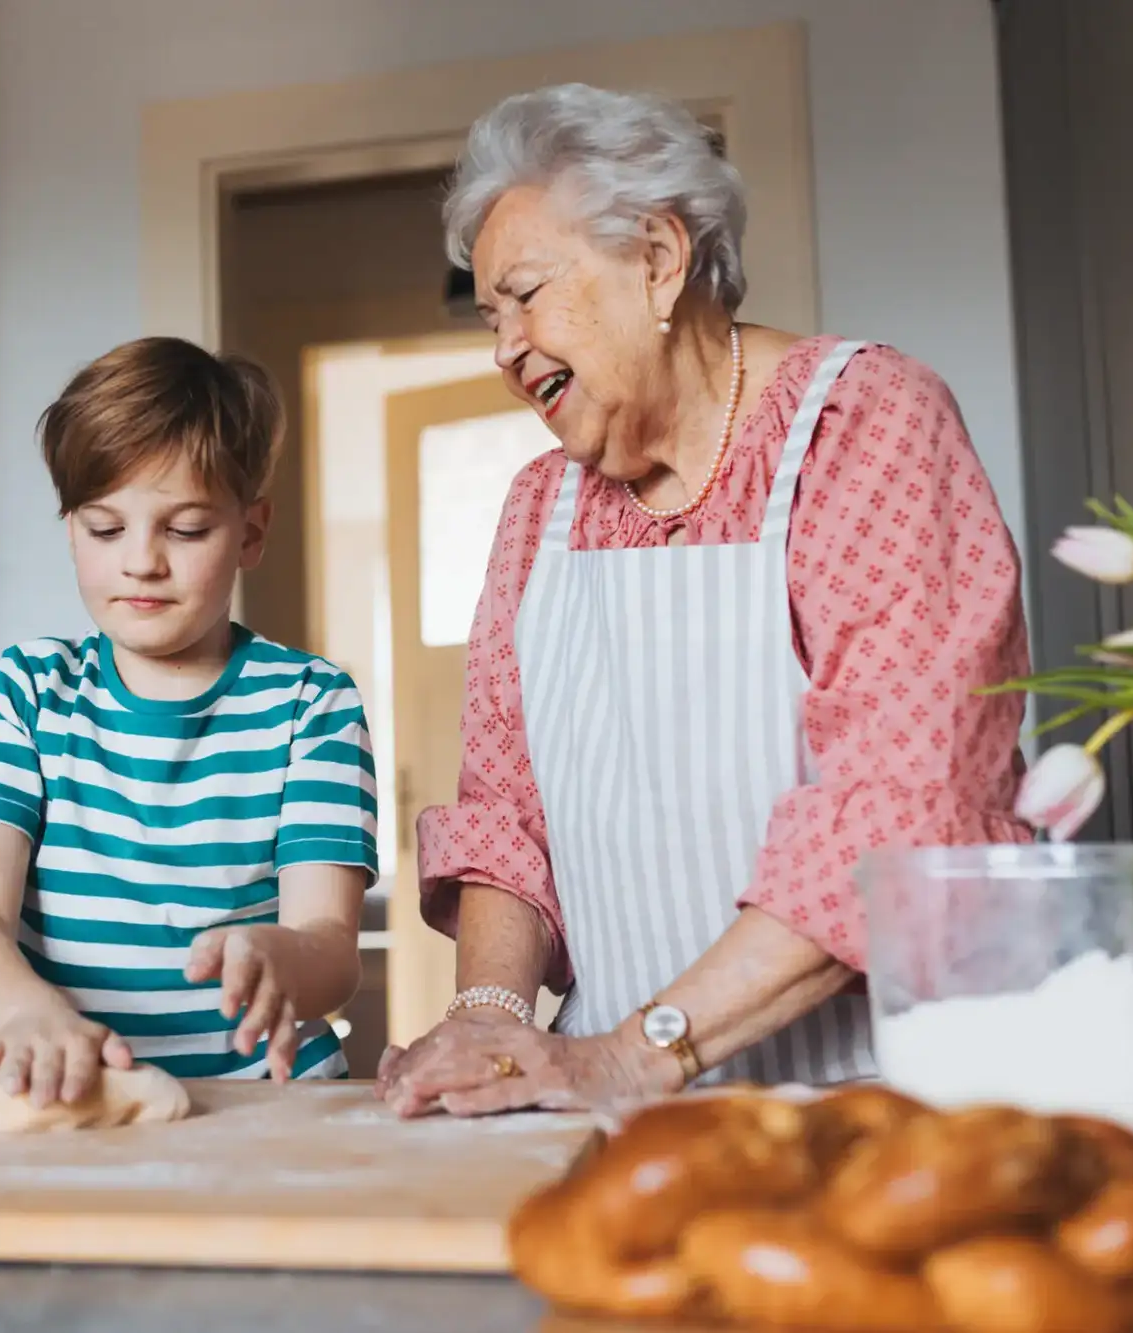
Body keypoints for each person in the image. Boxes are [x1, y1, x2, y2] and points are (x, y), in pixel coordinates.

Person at [375, 84, 1033, 1118]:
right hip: (614, 1116)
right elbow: (506, 816)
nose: (502, 349)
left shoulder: (859, 425)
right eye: (488, 315)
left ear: (656, 259)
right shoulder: (537, 510)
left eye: (525, 294)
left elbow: (898, 814)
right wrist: (493, 1015)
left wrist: (635, 1052)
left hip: (880, 1107)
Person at [0, 336, 378, 1106]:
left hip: (272, 1101)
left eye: (187, 528)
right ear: (72, 528)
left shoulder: (312, 701)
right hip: (83, 1094)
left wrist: (283, 955)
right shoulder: (23, 694)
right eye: (106, 529)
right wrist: (29, 1013)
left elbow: (333, 949)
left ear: (252, 532)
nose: (141, 561)